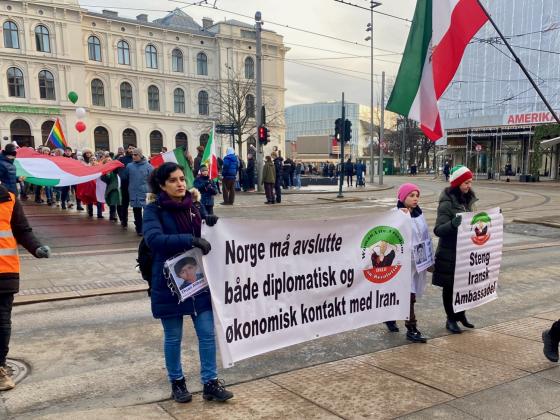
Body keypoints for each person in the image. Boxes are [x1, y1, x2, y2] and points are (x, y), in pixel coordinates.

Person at [143, 162, 232, 403]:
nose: (180, 183)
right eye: (173, 180)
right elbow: (154, 239)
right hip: (169, 283)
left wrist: (211, 222)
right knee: (173, 336)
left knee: (206, 333)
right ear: (162, 185)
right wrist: (190, 240)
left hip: (198, 281)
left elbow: (206, 233)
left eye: (182, 178)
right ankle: (177, 383)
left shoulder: (194, 205)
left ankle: (210, 383)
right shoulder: (154, 210)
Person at [0, 184, 51, 390]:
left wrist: (36, 247)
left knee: (2, 323)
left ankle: (0, 366)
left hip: (4, 272)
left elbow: (22, 230)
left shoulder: (9, 198)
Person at [384, 183, 431, 343]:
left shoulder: (419, 213)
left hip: (416, 262)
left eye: (417, 195)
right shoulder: (395, 214)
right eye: (411, 196)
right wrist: (399, 216)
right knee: (408, 295)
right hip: (401, 262)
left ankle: (389, 316)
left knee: (407, 293)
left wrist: (428, 258)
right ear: (403, 198)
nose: (415, 199)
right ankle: (412, 328)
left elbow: (424, 236)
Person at [433, 165, 477, 334]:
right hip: (449, 253)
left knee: (464, 286)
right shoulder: (447, 201)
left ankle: (461, 315)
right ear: (457, 183)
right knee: (450, 287)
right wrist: (452, 224)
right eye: (466, 182)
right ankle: (450, 319)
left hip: (465, 251)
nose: (469, 186)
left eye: (470, 182)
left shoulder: (467, 199)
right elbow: (438, 230)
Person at [121, 148, 153, 236]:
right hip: (134, 192)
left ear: (140, 155)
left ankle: (147, 227)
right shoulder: (129, 166)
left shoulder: (148, 166)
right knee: (136, 211)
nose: (133, 156)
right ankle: (139, 228)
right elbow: (125, 177)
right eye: (132, 155)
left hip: (146, 193)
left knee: (147, 211)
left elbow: (153, 179)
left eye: (136, 155)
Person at [117, 144, 134, 228]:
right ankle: (124, 221)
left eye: (133, 148)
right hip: (125, 185)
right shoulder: (122, 159)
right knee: (124, 204)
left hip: (134, 185)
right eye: (130, 148)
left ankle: (138, 223)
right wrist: (122, 177)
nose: (131, 150)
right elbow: (117, 169)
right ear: (127, 149)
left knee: (136, 205)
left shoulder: (137, 159)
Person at [100, 157, 121, 221]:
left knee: (117, 202)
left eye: (110, 160)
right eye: (108, 160)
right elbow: (105, 179)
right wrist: (106, 174)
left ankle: (117, 216)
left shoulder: (115, 168)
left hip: (118, 187)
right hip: (111, 188)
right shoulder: (105, 171)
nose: (110, 161)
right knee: (113, 202)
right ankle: (112, 215)